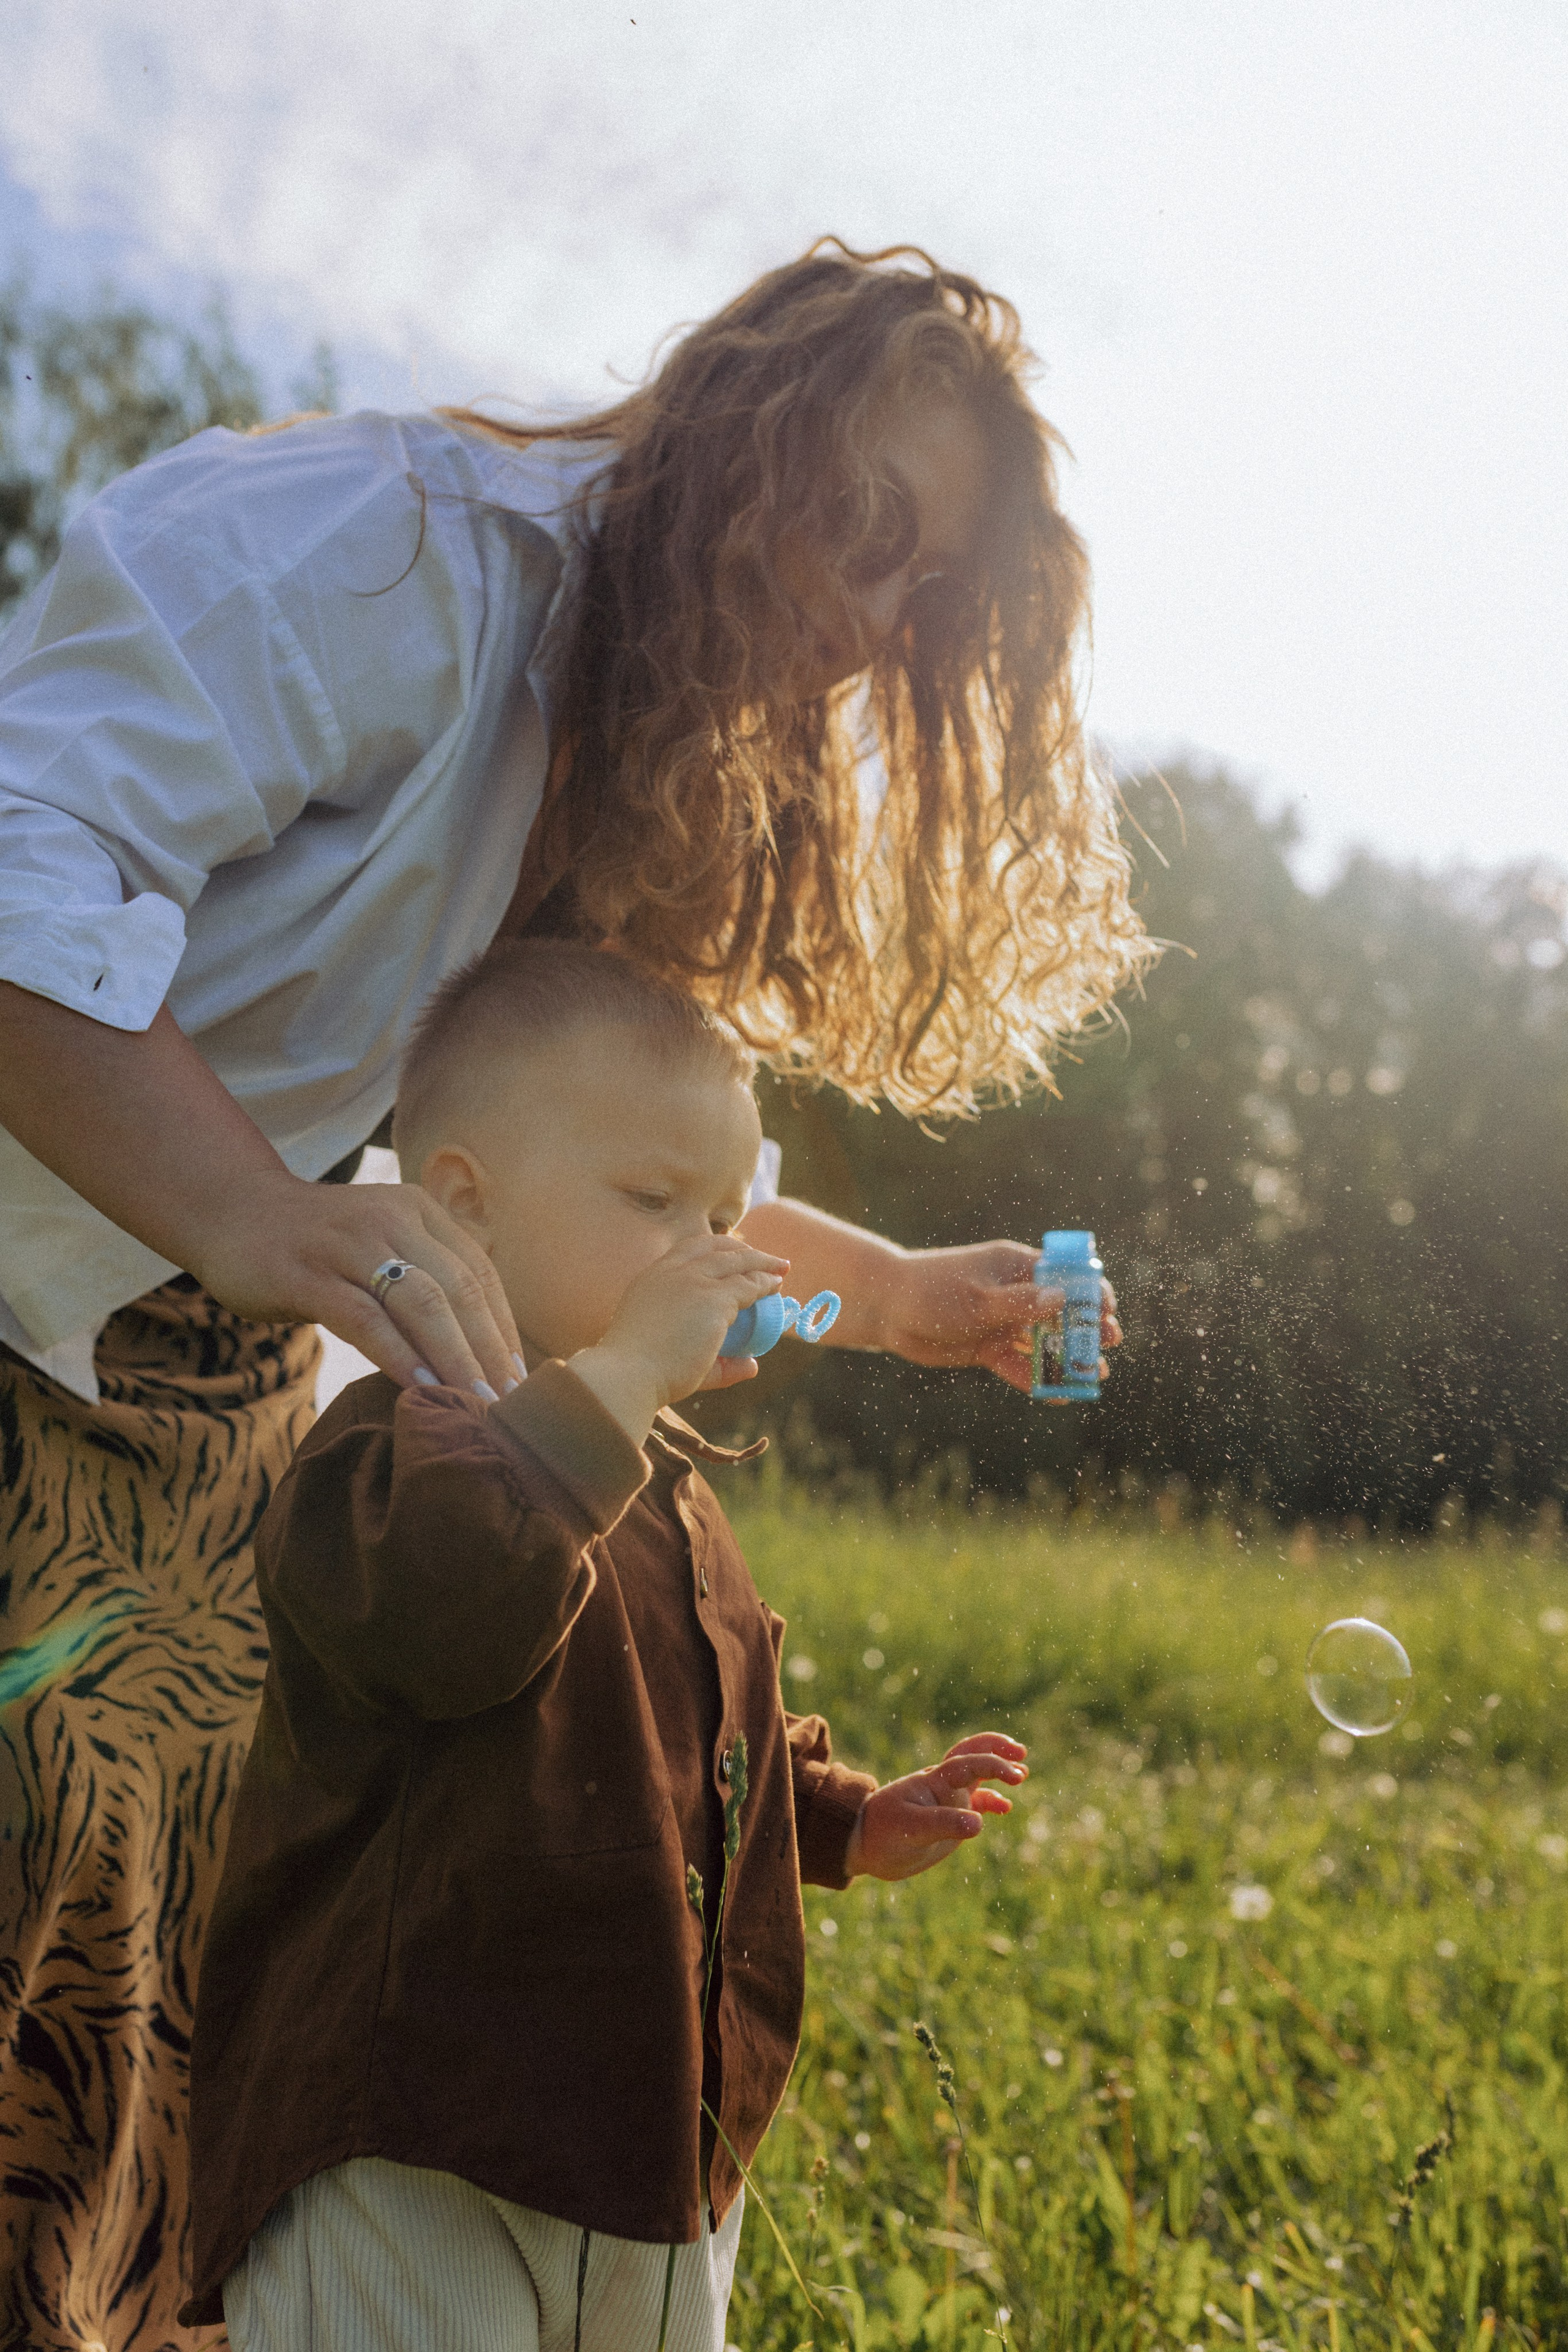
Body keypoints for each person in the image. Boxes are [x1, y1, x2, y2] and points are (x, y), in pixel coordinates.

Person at [0, 241, 1139, 2346]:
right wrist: (265, 1216)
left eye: (934, 599)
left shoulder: (646, 755)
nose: (881, 621)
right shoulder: (376, 554)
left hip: (205, 1383)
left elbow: (600, 1191)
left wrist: (887, 1291)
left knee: (162, 2022)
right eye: (868, 526)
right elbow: (17, 860)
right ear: (736, 435)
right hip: (35, 1308)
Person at [180, 937, 1029, 2352]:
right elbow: (454, 1620)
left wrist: (839, 1817)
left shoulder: (658, 1477)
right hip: (415, 2132)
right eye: (655, 1204)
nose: (715, 1254)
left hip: (645, 2131)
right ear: (462, 1206)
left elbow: (689, 1738)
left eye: (726, 1213)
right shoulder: (396, 1442)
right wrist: (623, 1376)